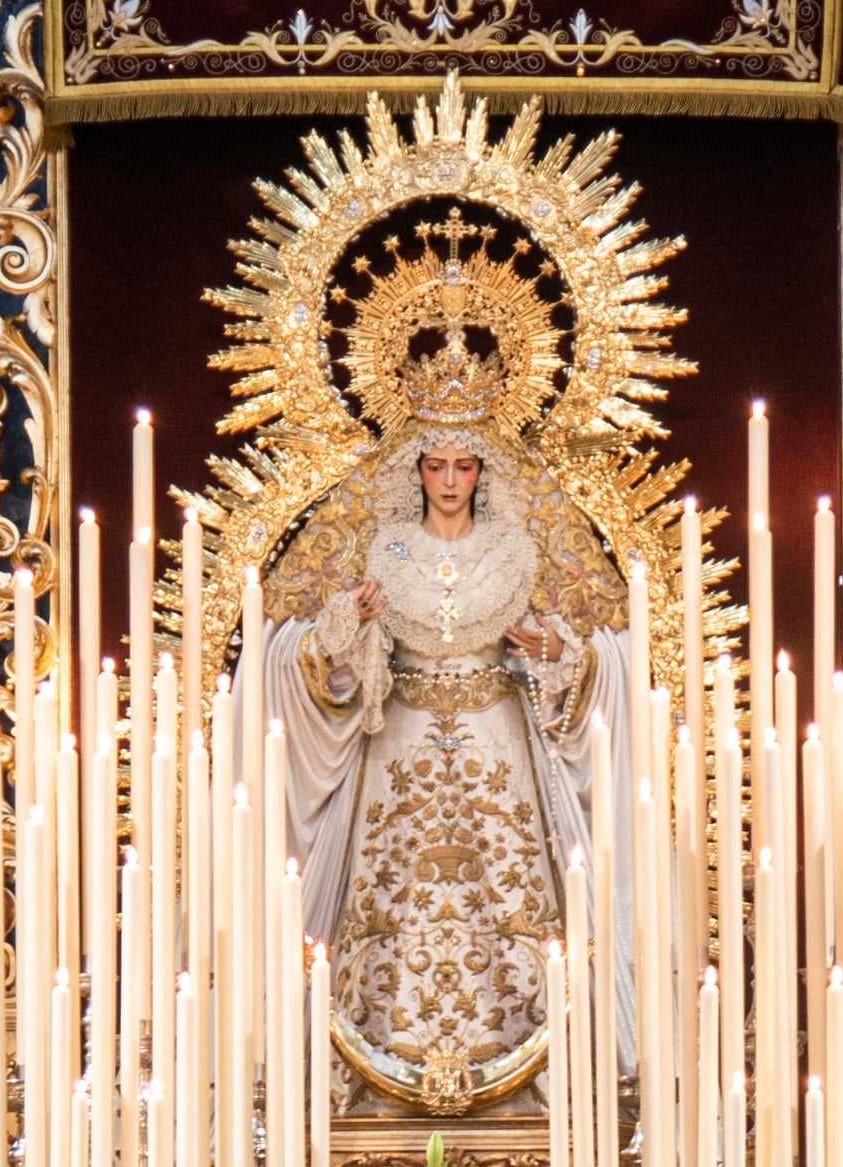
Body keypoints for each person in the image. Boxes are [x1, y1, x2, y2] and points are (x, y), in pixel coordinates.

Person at [262, 418, 636, 1100]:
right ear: (419, 472)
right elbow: (332, 666)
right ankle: (382, 1060)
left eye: (465, 467)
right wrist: (352, 627)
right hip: (399, 745)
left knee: (507, 893)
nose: (451, 482)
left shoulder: (513, 550)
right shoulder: (388, 548)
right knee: (392, 898)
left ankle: (523, 1062)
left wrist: (555, 653)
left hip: (496, 741)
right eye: (438, 466)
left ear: (481, 473)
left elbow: (584, 649)